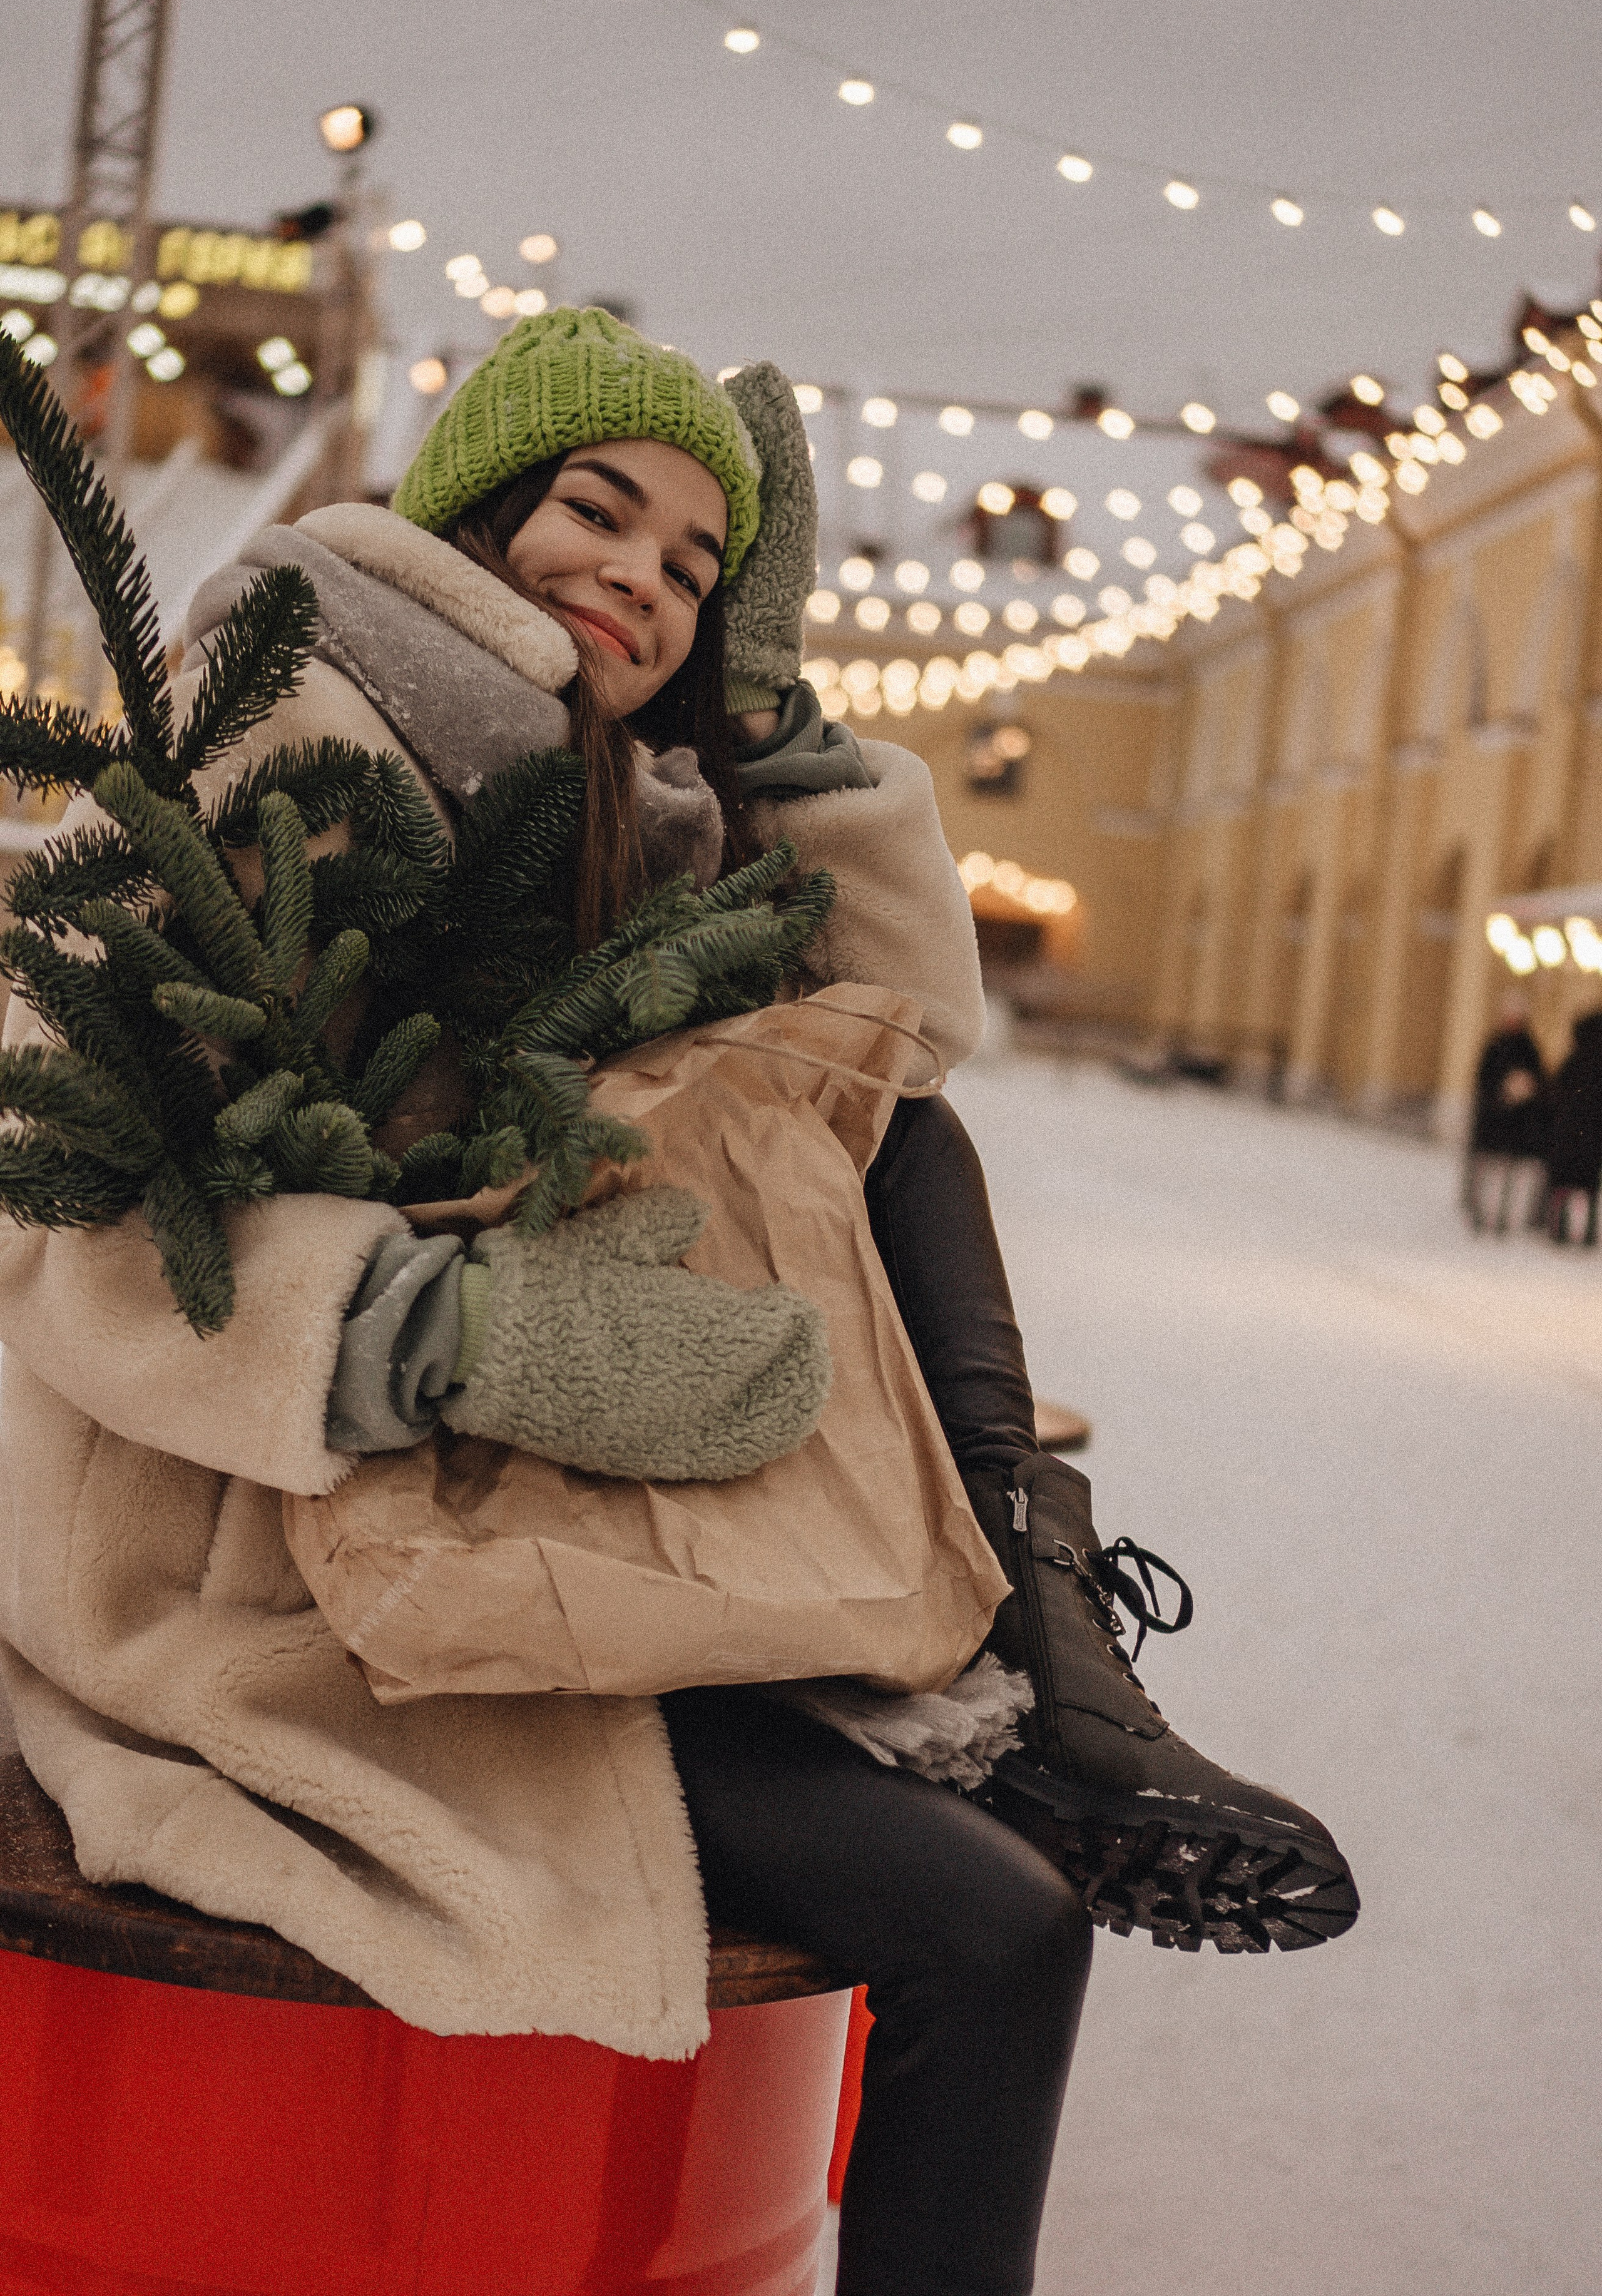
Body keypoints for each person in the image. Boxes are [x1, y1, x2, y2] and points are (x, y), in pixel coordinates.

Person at [0, 310, 1354, 2296]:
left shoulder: (619, 813)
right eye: (597, 512)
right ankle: (1024, 1682)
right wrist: (450, 1332)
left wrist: (779, 714)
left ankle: (1040, 1651)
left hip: (543, 1539)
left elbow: (892, 1043)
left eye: (696, 564)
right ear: (476, 515)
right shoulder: (275, 727)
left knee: (903, 1140)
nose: (642, 572)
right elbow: (54, 1178)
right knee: (993, 1927)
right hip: (283, 1579)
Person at [1464, 999, 1546, 1233]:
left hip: (1516, 1123)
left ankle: (1500, 1216)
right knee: (1486, 1170)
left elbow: (1538, 1080)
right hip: (1493, 1120)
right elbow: (1483, 1081)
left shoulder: (1529, 1049)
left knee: (1508, 1175)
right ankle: (1480, 1213)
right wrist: (1502, 1094)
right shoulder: (1495, 1046)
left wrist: (1524, 1091)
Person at [1543, 1005, 1602, 1245]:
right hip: (1590, 1138)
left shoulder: (1573, 1064)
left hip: (1570, 1137)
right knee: (1586, 1189)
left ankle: (1561, 1230)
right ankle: (1586, 1233)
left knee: (1565, 1187)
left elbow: (1553, 1096)